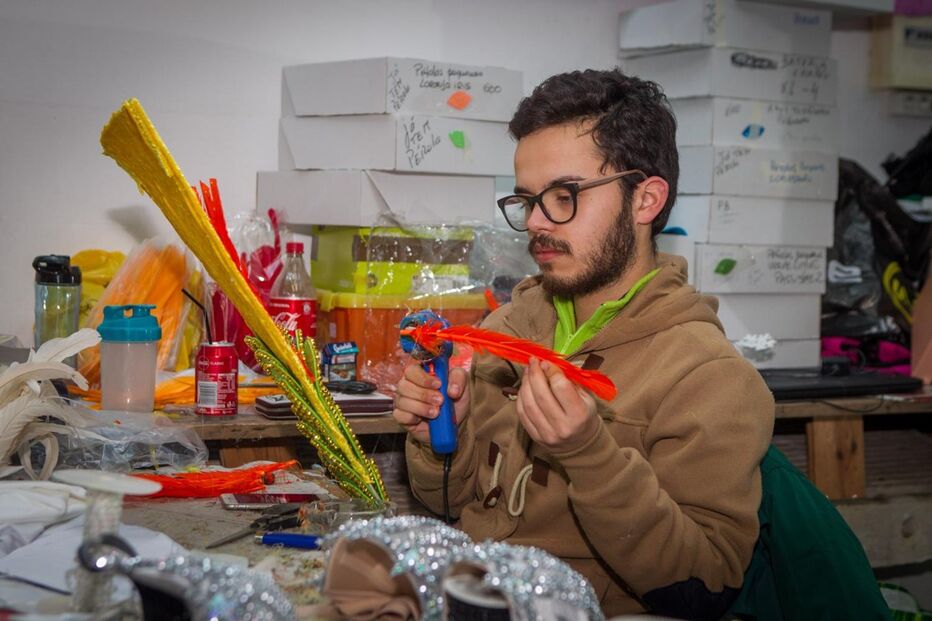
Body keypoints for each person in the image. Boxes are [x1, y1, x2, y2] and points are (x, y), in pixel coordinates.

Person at [392, 69, 775, 619]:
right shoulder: (507, 329)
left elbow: (704, 587)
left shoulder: (710, 376)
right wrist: (439, 435)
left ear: (646, 200)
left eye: (564, 196)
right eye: (528, 200)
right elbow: (450, 503)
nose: (536, 223)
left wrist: (589, 454)